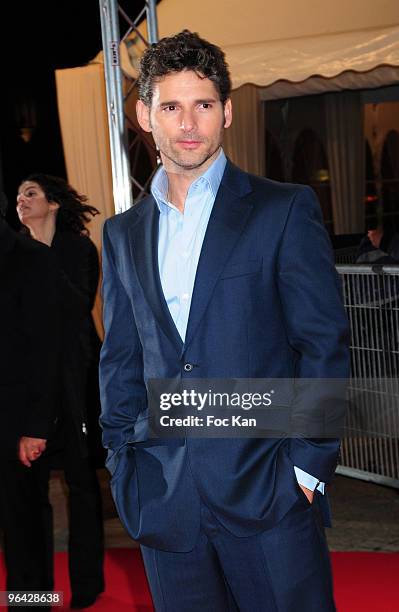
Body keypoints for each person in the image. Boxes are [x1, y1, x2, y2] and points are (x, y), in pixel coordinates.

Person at [99, 30, 350, 612]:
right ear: (144, 116)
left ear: (227, 112)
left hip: (269, 492)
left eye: (204, 105)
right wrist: (123, 461)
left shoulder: (281, 209)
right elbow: (122, 357)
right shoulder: (122, 234)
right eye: (171, 106)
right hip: (165, 500)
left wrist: (307, 467)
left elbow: (322, 344)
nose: (189, 123)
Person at [15, 174, 105, 609]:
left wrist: (40, 256)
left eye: (30, 193)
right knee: (28, 495)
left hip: (77, 377)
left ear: (53, 204)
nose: (21, 200)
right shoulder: (14, 254)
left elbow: (75, 307)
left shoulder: (78, 249)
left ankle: (87, 586)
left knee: (81, 483)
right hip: (29, 388)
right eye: (17, 196)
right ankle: (32, 596)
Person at [0, 192, 59, 608]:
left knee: (24, 531)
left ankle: (33, 604)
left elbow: (46, 350)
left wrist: (37, 426)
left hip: (15, 424)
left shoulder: (30, 258)